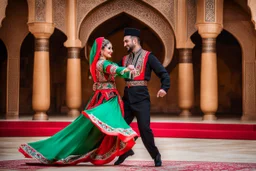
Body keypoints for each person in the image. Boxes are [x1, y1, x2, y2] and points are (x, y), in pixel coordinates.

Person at [18, 37, 138, 165]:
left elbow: (117, 71)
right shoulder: (102, 63)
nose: (111, 51)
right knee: (106, 123)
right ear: (101, 50)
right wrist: (125, 69)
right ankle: (127, 139)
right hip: (106, 99)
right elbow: (114, 70)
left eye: (112, 48)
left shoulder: (101, 63)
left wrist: (128, 70)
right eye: (109, 48)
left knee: (92, 129)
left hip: (104, 98)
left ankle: (124, 147)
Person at [114, 28, 170, 167]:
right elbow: (112, 69)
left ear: (134, 40)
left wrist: (164, 88)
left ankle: (155, 155)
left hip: (141, 98)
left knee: (144, 129)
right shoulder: (124, 59)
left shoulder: (148, 57)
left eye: (126, 41)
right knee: (119, 128)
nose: (124, 44)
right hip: (127, 98)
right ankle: (125, 151)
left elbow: (164, 74)